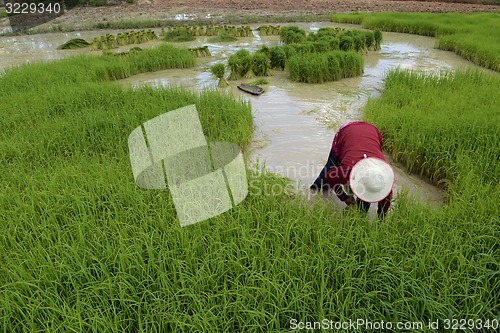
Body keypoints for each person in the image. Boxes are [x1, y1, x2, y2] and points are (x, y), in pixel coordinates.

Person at [311, 121, 394, 217]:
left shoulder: (385, 184)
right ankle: (315, 189)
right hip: (347, 132)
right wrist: (344, 197)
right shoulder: (347, 171)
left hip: (372, 132)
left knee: (364, 202)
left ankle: (359, 213)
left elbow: (384, 208)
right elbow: (329, 175)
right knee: (330, 166)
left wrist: (381, 221)